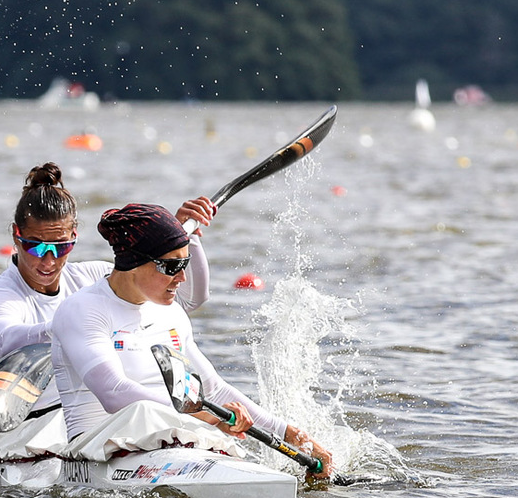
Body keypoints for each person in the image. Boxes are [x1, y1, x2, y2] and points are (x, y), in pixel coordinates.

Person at [49, 202, 333, 478]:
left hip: (173, 439)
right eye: (172, 266)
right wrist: (208, 416)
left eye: (184, 263)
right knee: (145, 411)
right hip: (97, 453)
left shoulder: (170, 313)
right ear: (133, 263)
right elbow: (114, 392)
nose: (182, 277)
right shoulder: (83, 310)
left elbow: (214, 390)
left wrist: (292, 434)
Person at [0, 163, 215, 457]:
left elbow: (187, 301)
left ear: (74, 236)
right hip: (22, 434)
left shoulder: (94, 278)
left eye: (60, 246)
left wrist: (179, 240)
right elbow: (3, 340)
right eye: (35, 247)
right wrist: (68, 327)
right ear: (15, 236)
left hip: (97, 423)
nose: (48, 261)